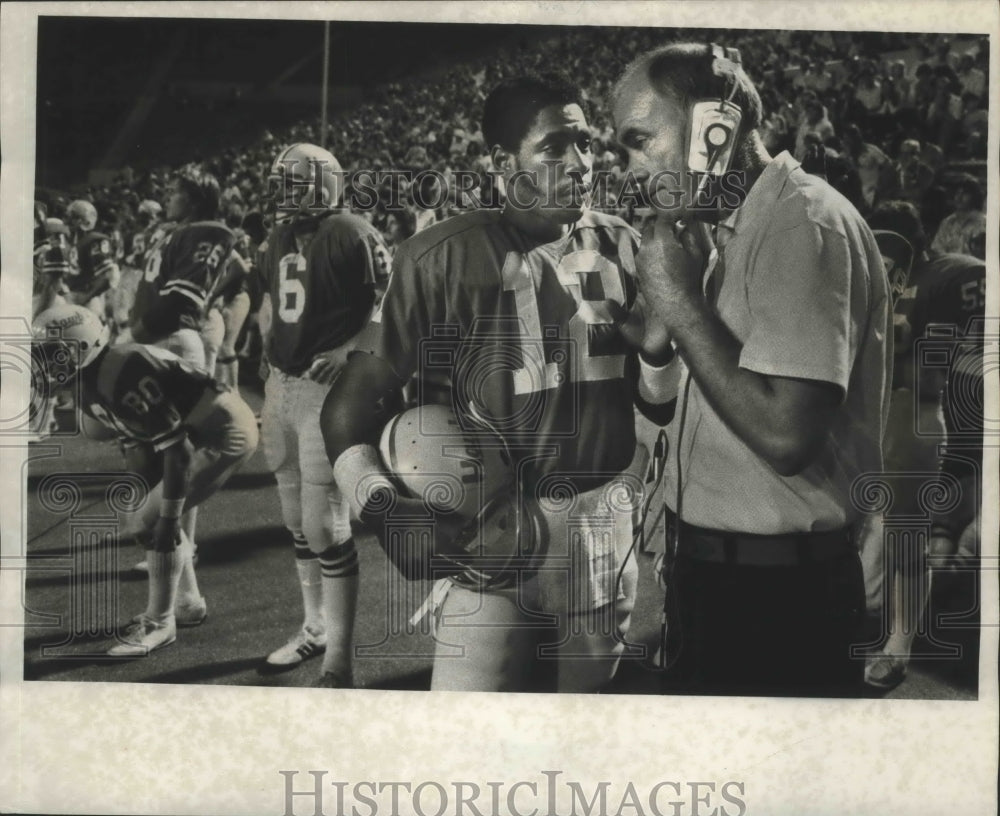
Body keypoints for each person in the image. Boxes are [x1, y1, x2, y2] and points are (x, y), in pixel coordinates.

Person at [321, 73, 648, 693]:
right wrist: (383, 508)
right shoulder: (437, 257)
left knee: (584, 740)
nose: (580, 163)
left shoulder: (626, 245)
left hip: (603, 523)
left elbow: (657, 399)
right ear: (504, 163)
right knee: (467, 737)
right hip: (490, 521)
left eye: (584, 144)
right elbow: (348, 407)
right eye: (554, 148)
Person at [611, 42, 891, 696]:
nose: (628, 169)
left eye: (639, 141)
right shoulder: (729, 231)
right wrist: (657, 341)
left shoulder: (802, 221)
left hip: (777, 594)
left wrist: (679, 304)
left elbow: (786, 432)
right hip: (724, 576)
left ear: (715, 128)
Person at [32, 304, 258, 656]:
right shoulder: (92, 382)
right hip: (194, 427)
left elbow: (179, 453)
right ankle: (187, 603)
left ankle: (160, 623)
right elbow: (138, 443)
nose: (44, 366)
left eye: (52, 355)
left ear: (80, 349)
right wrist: (143, 496)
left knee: (154, 519)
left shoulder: (119, 374)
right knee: (142, 515)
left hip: (222, 431)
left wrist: (166, 517)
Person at [259, 143, 390, 688]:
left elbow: (391, 301)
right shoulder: (279, 237)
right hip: (280, 385)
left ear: (321, 183)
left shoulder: (351, 230)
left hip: (324, 393)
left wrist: (348, 351)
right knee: (295, 519)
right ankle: (312, 626)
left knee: (324, 525)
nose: (281, 193)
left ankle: (340, 659)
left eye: (291, 181)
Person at [863, 201, 986, 689]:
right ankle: (876, 618)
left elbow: (933, 374)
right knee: (878, 528)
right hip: (882, 416)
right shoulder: (899, 283)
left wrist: (885, 352)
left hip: (915, 416)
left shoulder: (948, 276)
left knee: (909, 536)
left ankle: (899, 646)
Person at [930, 175, 987, 259]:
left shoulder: (984, 222)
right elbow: (937, 250)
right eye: (957, 193)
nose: (959, 197)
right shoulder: (947, 222)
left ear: (975, 197)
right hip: (951, 268)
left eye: (965, 193)